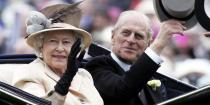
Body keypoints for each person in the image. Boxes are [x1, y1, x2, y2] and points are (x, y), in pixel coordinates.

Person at [9, 2, 103, 105]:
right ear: (41, 45)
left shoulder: (84, 75)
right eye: (52, 41)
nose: (60, 48)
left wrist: (70, 74)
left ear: (75, 47)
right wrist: (65, 81)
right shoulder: (29, 73)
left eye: (66, 42)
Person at [85, 10, 186, 105]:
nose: (131, 40)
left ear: (148, 43)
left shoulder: (150, 78)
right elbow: (122, 90)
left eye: (138, 36)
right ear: (113, 36)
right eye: (126, 33)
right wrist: (159, 44)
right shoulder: (95, 67)